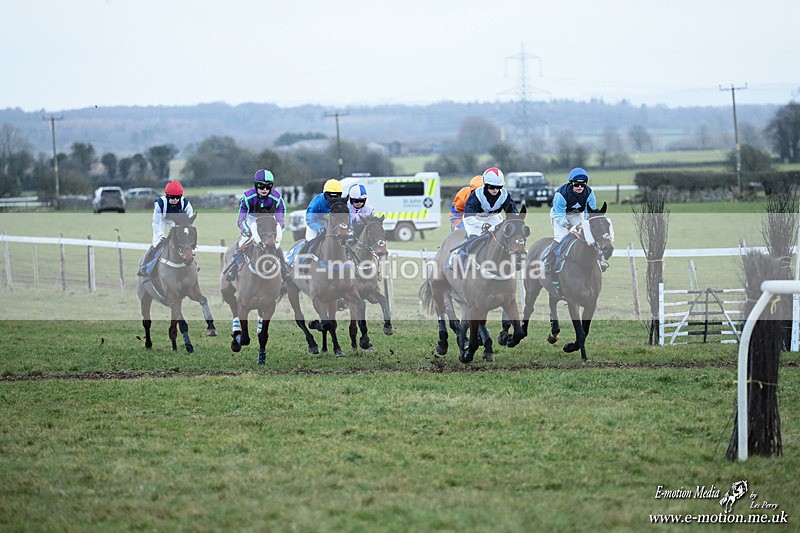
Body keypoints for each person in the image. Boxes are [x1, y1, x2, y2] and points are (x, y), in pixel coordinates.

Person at [224, 169, 288, 282]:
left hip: (269, 220)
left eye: (268, 186)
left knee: (276, 244)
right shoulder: (247, 197)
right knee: (243, 241)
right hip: (252, 220)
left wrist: (278, 229)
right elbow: (241, 220)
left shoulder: (277, 198)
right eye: (261, 186)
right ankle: (234, 268)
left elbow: (280, 220)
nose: (264, 189)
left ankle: (284, 269)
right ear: (255, 185)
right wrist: (247, 231)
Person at [547, 167, 607, 272]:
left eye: (582, 184)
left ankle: (597, 260)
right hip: (560, 215)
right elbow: (559, 215)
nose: (579, 187)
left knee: (587, 236)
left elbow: (590, 214)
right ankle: (548, 261)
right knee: (560, 237)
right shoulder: (561, 194)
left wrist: (585, 225)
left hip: (576, 215)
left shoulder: (589, 194)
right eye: (576, 184)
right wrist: (569, 226)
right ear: (571, 183)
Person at [137, 180, 193, 276]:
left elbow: (189, 221)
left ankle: (191, 263)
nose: (175, 199)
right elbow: (156, 223)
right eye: (172, 197)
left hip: (176, 222)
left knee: (182, 242)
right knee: (157, 243)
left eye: (177, 197)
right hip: (162, 220)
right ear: (167, 196)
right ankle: (145, 266)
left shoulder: (186, 204)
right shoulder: (160, 204)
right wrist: (161, 236)